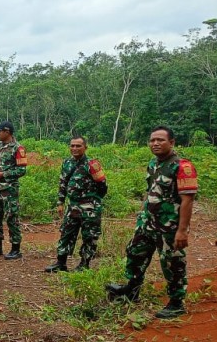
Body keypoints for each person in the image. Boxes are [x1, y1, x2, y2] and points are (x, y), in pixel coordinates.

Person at [106, 126, 198, 319]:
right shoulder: (153, 164)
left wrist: (182, 231)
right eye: (152, 140)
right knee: (135, 253)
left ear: (172, 143)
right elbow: (151, 192)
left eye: (160, 140)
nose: (155, 143)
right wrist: (142, 214)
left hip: (169, 226)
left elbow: (187, 200)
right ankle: (132, 289)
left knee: (172, 262)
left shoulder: (182, 167)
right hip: (148, 223)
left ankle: (176, 302)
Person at [45, 137, 108, 272]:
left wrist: (93, 200)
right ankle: (60, 263)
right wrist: (60, 202)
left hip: (89, 207)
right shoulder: (67, 163)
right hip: (72, 206)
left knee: (89, 236)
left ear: (85, 147)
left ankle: (84, 265)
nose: (74, 148)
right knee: (66, 233)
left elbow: (103, 186)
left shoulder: (92, 164)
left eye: (78, 146)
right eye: (72, 146)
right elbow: (63, 183)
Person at [0, 121, 28, 260]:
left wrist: (3, 174)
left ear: (7, 131)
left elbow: (22, 170)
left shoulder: (18, 148)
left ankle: (16, 249)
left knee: (11, 217)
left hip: (9, 189)